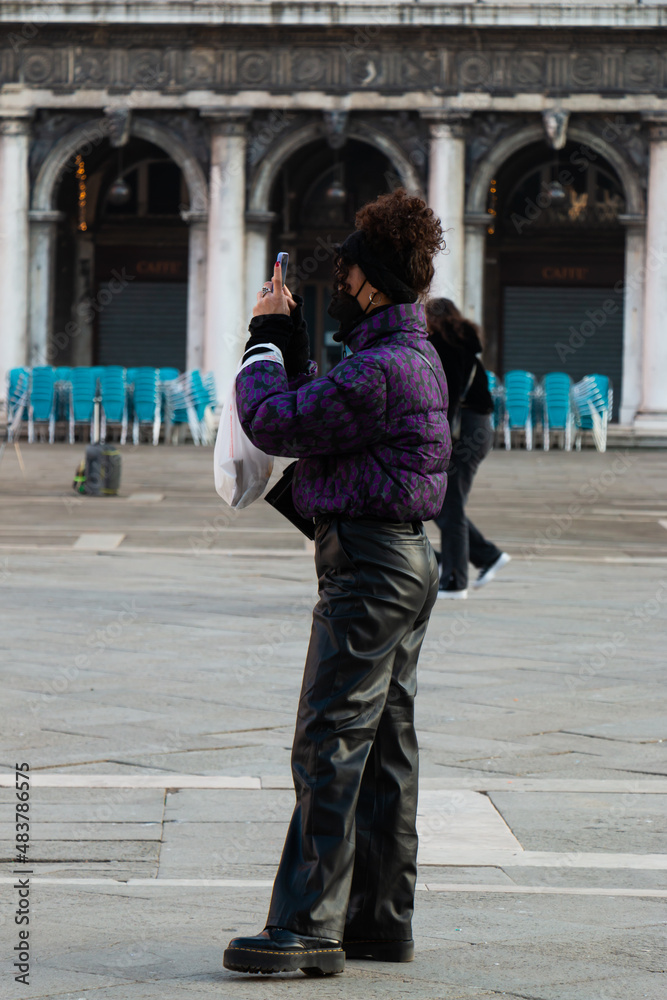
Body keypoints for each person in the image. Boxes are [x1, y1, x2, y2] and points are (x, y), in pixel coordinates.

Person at [222, 189, 450, 977]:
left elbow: (277, 421)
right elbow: (323, 409)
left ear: (373, 280)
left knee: (329, 741)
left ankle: (308, 927)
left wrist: (264, 338)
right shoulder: (402, 359)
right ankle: (379, 921)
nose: (339, 278)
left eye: (348, 267)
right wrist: (288, 340)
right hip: (404, 562)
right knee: (385, 745)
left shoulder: (385, 367)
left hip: (371, 571)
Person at [426, 298, 510, 599]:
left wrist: (439, 439)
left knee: (448, 504)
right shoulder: (460, 344)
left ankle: (455, 580)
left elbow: (447, 396)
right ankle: (486, 556)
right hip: (477, 427)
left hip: (466, 429)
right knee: (444, 503)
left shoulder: (445, 347)